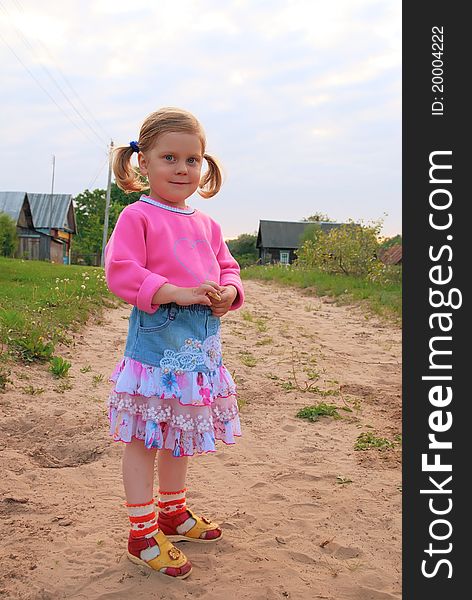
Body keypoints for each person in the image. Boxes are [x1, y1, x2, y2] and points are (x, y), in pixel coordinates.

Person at [104, 107, 244, 579]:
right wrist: (176, 292)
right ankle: (142, 534)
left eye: (193, 159)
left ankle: (173, 513)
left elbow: (228, 267)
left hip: (199, 352)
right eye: (169, 157)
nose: (183, 169)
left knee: (180, 435)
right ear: (143, 161)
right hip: (156, 350)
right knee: (146, 436)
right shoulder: (137, 216)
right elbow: (122, 272)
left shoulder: (207, 225)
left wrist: (228, 293)